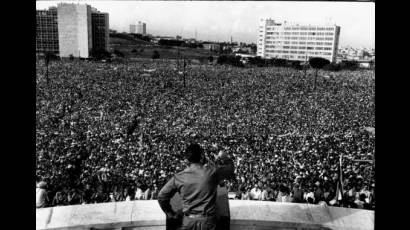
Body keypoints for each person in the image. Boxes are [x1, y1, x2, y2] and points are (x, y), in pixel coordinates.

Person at [157, 143, 234, 230]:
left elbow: (161, 196)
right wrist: (224, 157)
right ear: (202, 156)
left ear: (187, 159)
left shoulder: (179, 177)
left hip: (188, 222)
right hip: (208, 222)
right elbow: (230, 169)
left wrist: (171, 213)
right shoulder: (212, 172)